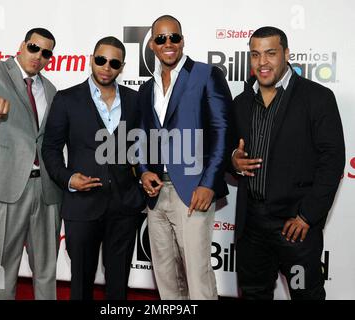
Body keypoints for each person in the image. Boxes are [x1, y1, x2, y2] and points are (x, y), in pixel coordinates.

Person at [231, 26, 345, 300]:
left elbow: (332, 161)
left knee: (305, 294)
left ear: (286, 54)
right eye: (256, 54)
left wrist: (307, 215)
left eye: (270, 53)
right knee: (254, 293)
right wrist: (233, 161)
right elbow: (228, 152)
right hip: (253, 226)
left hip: (295, 227)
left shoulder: (317, 98)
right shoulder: (241, 103)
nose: (262, 62)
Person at [42, 36, 145, 300]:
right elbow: (50, 149)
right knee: (81, 282)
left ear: (122, 67)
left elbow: (144, 147)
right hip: (82, 205)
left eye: (114, 62)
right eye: (101, 60)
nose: (106, 67)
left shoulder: (135, 101)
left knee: (119, 282)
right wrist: (68, 179)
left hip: (124, 205)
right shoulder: (67, 99)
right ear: (91, 59)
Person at [137, 15, 232, 300]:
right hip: (155, 195)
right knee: (166, 277)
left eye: (174, 37)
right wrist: (142, 171)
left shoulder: (206, 74)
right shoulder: (147, 87)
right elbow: (141, 136)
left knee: (197, 277)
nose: (168, 43)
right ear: (152, 45)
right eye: (161, 38)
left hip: (193, 191)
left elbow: (222, 130)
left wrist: (209, 183)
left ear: (182, 40)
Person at [0, 28, 62, 300]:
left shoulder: (51, 89)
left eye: (46, 53)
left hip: (45, 191)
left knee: (46, 269)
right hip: (3, 188)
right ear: (22, 45)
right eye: (34, 47)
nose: (39, 56)